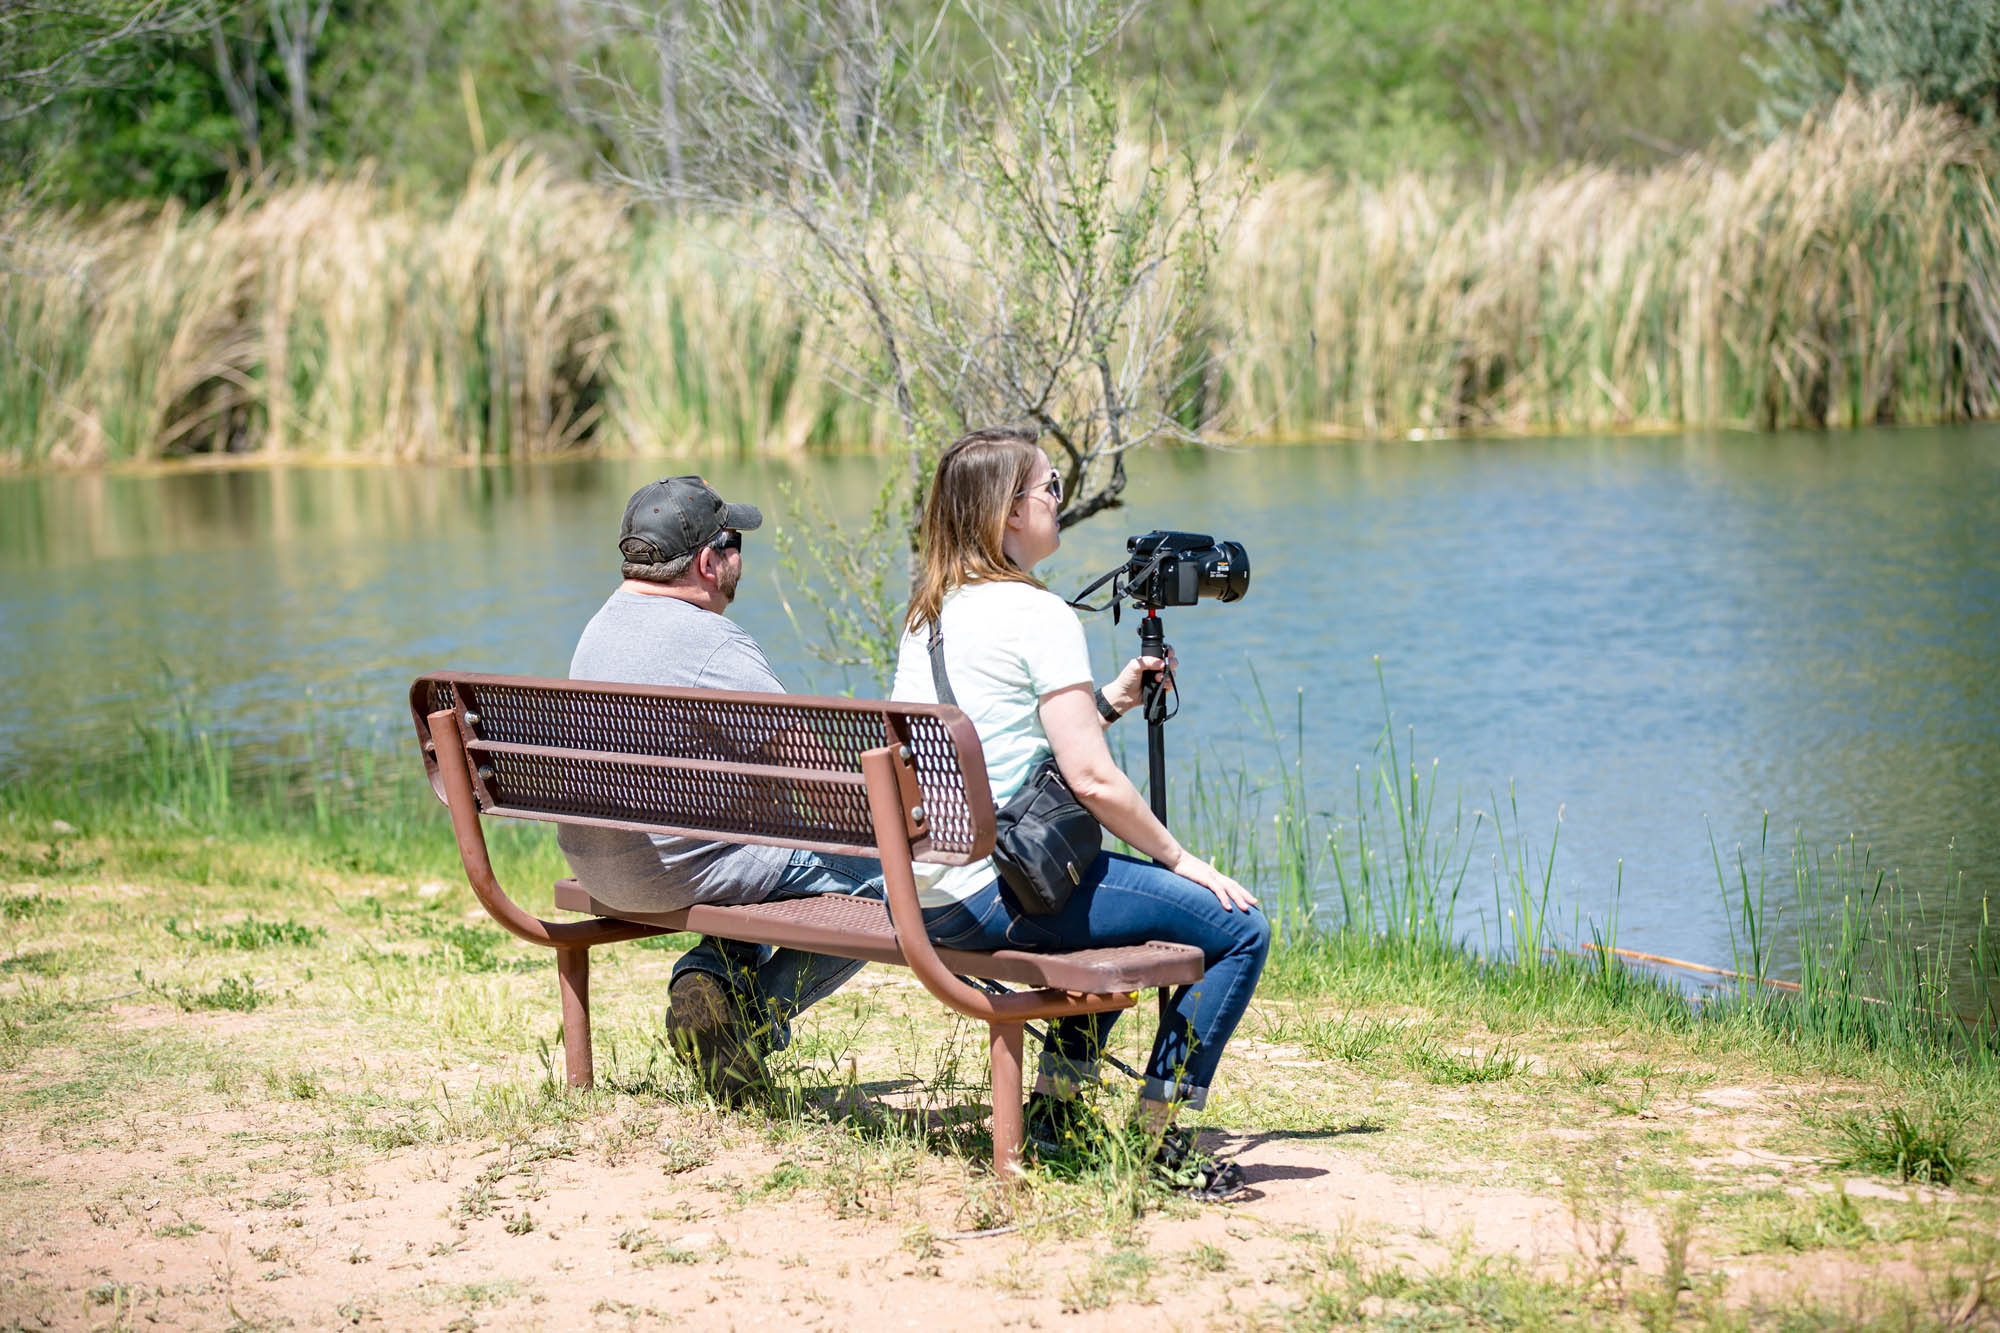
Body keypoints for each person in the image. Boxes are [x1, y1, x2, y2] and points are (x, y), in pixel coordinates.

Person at [889, 427, 1270, 1198]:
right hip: (999, 894)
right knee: (1238, 928)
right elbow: (1091, 778)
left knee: (1091, 911)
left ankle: (1060, 1117)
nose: (1061, 497)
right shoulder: (1039, 615)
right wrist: (1182, 860)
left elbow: (1007, 742)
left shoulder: (930, 613)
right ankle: (1161, 1142)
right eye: (1050, 486)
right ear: (1007, 515)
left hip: (933, 895)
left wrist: (1110, 699)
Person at [560, 474, 884, 1102]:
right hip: (681, 870)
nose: (740, 557)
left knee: (762, 844)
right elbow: (810, 764)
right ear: (708, 562)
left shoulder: (599, 628)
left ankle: (709, 979)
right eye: (735, 543)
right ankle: (750, 1019)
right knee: (887, 882)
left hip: (601, 865)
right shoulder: (711, 642)